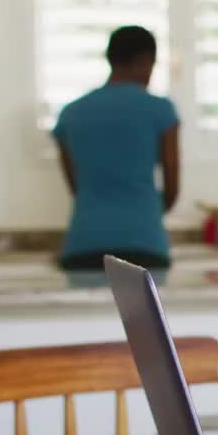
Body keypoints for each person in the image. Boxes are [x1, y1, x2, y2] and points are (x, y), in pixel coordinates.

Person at [53, 25, 180, 270]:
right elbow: (172, 187)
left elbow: (75, 186)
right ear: (146, 60)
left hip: (83, 245)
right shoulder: (160, 110)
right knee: (143, 310)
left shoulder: (70, 114)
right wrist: (146, 214)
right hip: (145, 245)